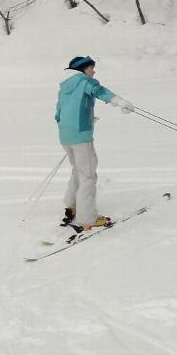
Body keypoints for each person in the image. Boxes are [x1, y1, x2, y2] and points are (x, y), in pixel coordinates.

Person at [55, 56, 134, 232]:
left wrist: (86, 120)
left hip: (66, 136)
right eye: (91, 68)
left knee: (78, 170)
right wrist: (120, 102)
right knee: (88, 175)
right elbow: (99, 91)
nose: (93, 72)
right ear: (82, 69)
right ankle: (87, 218)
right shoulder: (83, 81)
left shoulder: (64, 87)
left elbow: (60, 112)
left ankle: (71, 205)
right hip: (81, 137)